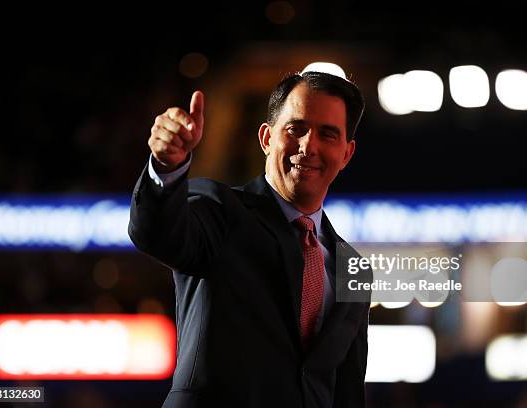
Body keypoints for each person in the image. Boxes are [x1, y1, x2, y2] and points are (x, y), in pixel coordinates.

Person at [128, 71, 370, 408]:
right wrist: (167, 167)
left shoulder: (354, 268)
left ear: (346, 154)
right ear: (267, 138)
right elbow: (157, 233)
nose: (308, 146)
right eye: (295, 128)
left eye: (328, 134)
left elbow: (347, 391)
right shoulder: (219, 208)